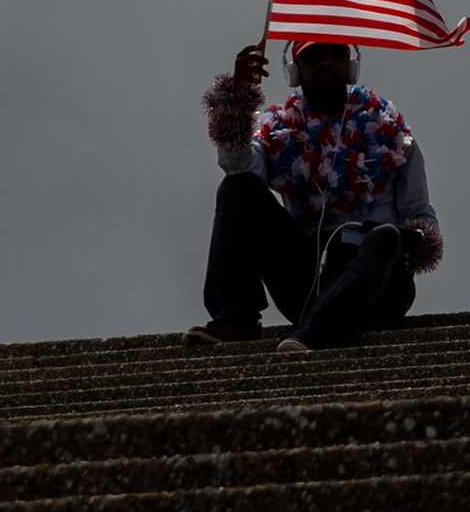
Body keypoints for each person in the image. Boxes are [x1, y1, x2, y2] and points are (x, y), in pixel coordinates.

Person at [189, 36, 445, 351]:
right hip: (311, 280)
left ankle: (309, 337)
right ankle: (235, 318)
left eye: (335, 54)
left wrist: (420, 238)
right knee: (237, 186)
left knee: (386, 237)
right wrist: (238, 98)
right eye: (313, 56)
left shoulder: (390, 132)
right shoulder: (280, 132)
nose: (325, 62)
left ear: (350, 67)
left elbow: (419, 210)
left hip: (379, 282)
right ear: (295, 71)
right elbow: (235, 165)